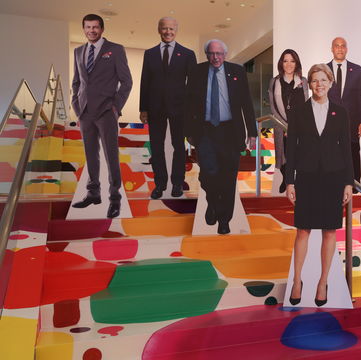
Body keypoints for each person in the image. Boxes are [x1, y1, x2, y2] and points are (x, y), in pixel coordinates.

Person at [285, 64, 353, 307]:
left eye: (323, 80)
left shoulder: (341, 112)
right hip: (306, 176)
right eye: (315, 80)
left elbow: (347, 149)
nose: (319, 84)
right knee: (302, 230)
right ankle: (296, 280)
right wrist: (289, 181)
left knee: (329, 231)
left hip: (334, 177)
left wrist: (348, 182)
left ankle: (323, 282)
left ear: (331, 82)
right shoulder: (299, 112)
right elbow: (290, 148)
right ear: (309, 84)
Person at [183, 39, 257, 234]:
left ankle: (224, 219)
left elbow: (246, 104)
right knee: (208, 173)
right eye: (212, 54)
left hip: (231, 131)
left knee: (228, 176)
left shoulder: (237, 72)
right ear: (207, 54)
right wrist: (188, 132)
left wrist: (252, 133)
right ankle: (212, 202)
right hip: (205, 131)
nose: (215, 58)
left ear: (225, 55)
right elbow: (188, 104)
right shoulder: (197, 71)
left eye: (219, 54)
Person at [71, 13, 133, 218]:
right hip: (85, 111)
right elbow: (77, 82)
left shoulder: (115, 50)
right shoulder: (78, 51)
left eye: (95, 27)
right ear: (84, 29)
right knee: (91, 154)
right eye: (88, 27)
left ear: (102, 29)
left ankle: (115, 198)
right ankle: (93, 193)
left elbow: (126, 82)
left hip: (107, 111)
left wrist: (115, 107)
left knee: (111, 156)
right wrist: (76, 106)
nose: (91, 31)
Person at [140, 17, 197, 199]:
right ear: (159, 30)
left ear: (176, 30)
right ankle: (160, 184)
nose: (168, 32)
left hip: (180, 109)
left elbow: (194, 84)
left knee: (178, 146)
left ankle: (177, 184)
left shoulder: (187, 54)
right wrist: (143, 108)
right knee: (156, 147)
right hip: (155, 107)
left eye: (171, 29)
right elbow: (145, 82)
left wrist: (192, 110)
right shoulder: (149, 54)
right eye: (164, 28)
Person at [326, 37, 361, 188]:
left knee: (353, 150)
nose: (340, 48)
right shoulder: (322, 69)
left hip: (352, 120)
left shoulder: (357, 70)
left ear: (346, 49)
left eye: (343, 46)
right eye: (336, 46)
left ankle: (355, 184)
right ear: (332, 49)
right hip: (329, 120)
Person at [268, 49, 308, 193]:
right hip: (281, 124)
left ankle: (295, 181)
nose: (289, 64)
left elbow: (305, 103)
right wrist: (285, 126)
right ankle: (286, 179)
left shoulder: (303, 81)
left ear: (296, 63)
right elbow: (273, 106)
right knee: (284, 153)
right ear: (281, 63)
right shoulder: (274, 81)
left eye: (292, 61)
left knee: (298, 153)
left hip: (299, 124)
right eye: (286, 61)